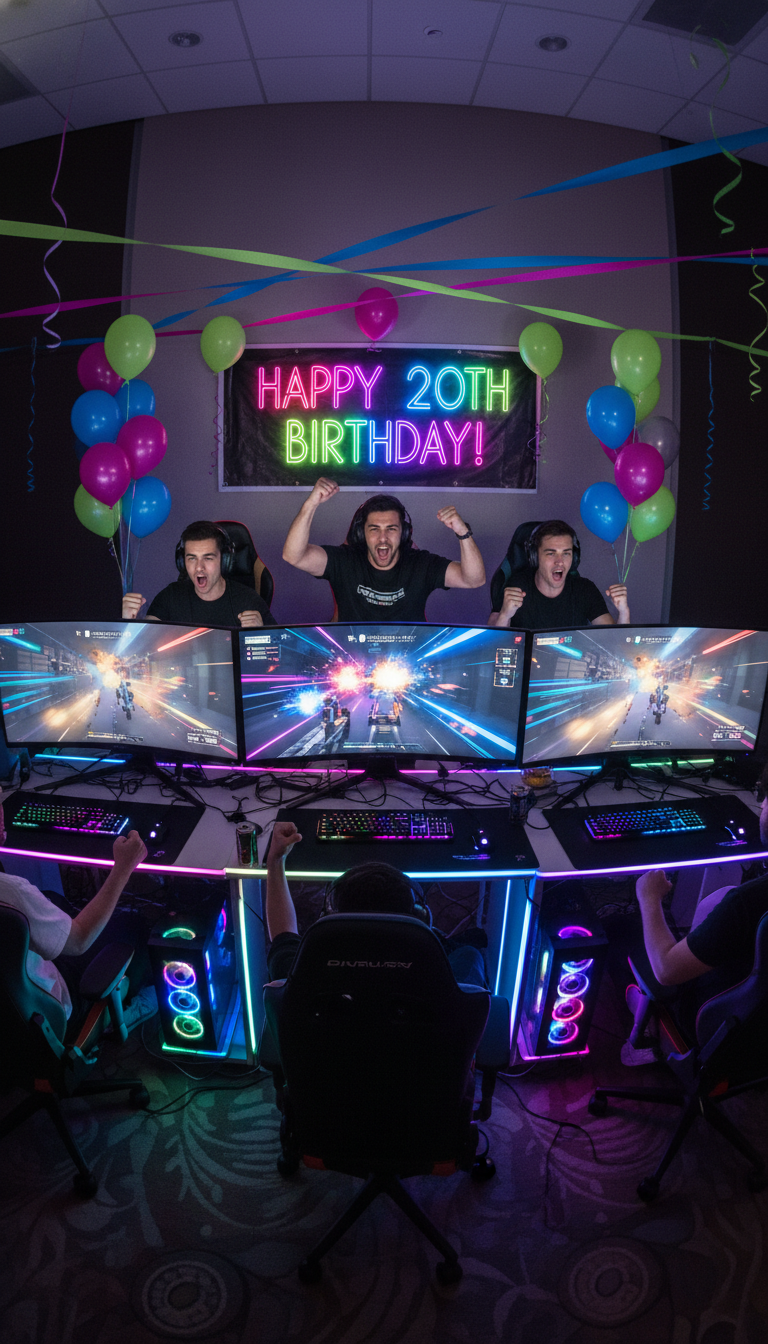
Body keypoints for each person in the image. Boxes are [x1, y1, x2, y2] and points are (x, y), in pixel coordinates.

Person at [624, 767, 768, 1059]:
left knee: (629, 940)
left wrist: (649, 898)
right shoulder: (744, 903)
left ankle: (654, 1027)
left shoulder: (745, 903)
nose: (761, 807)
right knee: (713, 905)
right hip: (760, 1022)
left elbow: (667, 971)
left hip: (727, 1027)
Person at [265, 820, 488, 988]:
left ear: (332, 919)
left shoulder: (303, 972)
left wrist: (276, 859)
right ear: (421, 917)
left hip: (329, 1038)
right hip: (421, 1038)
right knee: (469, 953)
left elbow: (283, 934)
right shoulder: (442, 975)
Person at [0, 802, 156, 1032]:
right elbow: (79, 940)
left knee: (53, 898)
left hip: (9, 998)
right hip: (45, 1011)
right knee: (134, 926)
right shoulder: (12, 891)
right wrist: (124, 866)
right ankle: (117, 1014)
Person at [282, 478, 485, 621]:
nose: (383, 538)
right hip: (352, 660)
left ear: (404, 533)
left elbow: (474, 579)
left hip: (408, 660)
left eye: (391, 529)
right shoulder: (344, 560)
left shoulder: (421, 564)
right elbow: (294, 556)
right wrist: (311, 504)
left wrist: (463, 532)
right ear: (362, 533)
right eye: (374, 529)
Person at [121, 520, 276, 628]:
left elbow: (279, 652)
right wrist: (129, 621)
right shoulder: (170, 597)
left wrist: (260, 633)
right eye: (192, 558)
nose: (199, 567)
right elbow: (145, 643)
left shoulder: (249, 601)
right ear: (182, 562)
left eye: (208, 558)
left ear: (224, 561)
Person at [488, 520, 630, 630]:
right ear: (535, 557)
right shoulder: (515, 585)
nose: (559, 562)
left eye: (566, 553)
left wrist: (624, 612)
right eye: (551, 553)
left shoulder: (585, 589)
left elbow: (613, 641)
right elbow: (492, 643)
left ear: (574, 557)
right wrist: (505, 615)